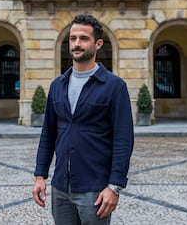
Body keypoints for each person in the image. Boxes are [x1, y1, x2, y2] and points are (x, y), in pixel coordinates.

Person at [32, 14, 134, 224]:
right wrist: (40, 176)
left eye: (83, 38)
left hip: (94, 188)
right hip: (61, 187)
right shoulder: (57, 85)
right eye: (73, 38)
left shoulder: (114, 86)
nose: (76, 44)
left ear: (97, 44)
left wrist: (114, 186)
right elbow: (48, 134)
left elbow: (123, 139)